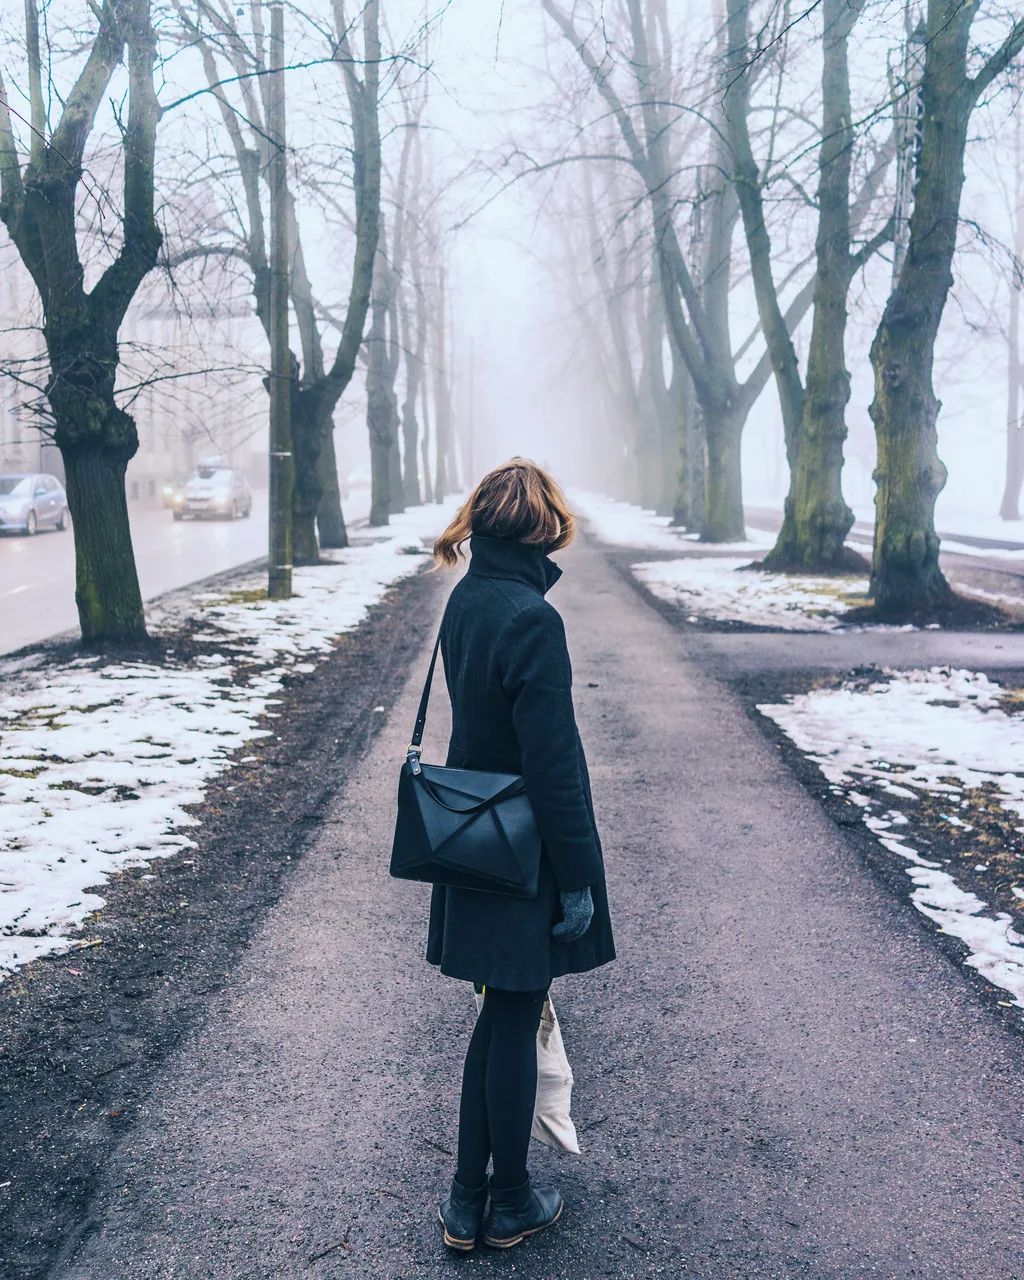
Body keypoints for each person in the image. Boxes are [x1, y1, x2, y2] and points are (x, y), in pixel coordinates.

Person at [426, 458, 615, 1251]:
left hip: (471, 837)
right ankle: (508, 1202)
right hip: (522, 848)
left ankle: (471, 1201)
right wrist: (577, 881)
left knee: (498, 1019)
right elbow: (555, 765)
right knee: (509, 1014)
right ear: (544, 527)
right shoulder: (532, 618)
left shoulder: (468, 599)